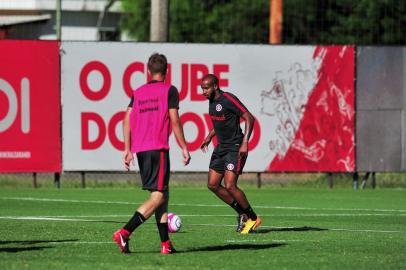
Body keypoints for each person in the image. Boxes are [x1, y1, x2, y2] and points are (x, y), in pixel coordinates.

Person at [112, 53, 191, 254]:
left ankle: (166, 244)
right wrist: (184, 146)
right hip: (158, 148)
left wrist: (127, 149)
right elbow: (175, 120)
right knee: (157, 198)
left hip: (141, 149)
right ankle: (125, 232)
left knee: (162, 194)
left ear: (148, 71)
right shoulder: (169, 90)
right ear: (166, 71)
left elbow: (126, 119)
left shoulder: (138, 92)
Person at [200, 74, 261, 234]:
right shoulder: (211, 101)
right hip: (221, 147)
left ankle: (253, 218)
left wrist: (245, 141)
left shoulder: (228, 98)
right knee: (212, 184)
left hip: (235, 147)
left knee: (230, 185)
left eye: (206, 88)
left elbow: (249, 117)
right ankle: (242, 213)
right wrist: (209, 136)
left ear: (215, 86)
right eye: (202, 88)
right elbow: (220, 122)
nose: (203, 91)